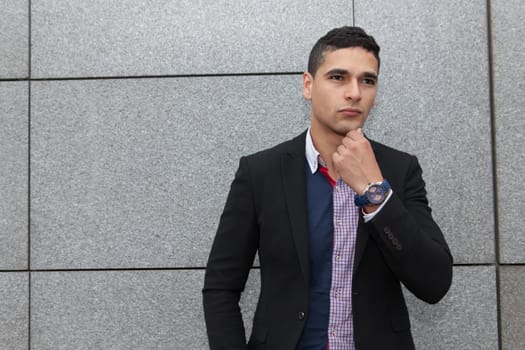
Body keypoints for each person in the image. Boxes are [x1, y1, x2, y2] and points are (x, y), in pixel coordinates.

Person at [202, 26, 453, 350]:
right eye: (338, 77)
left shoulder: (399, 171)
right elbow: (220, 288)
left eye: (367, 80)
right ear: (308, 85)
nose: (354, 92)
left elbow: (434, 283)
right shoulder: (260, 172)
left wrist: (375, 192)